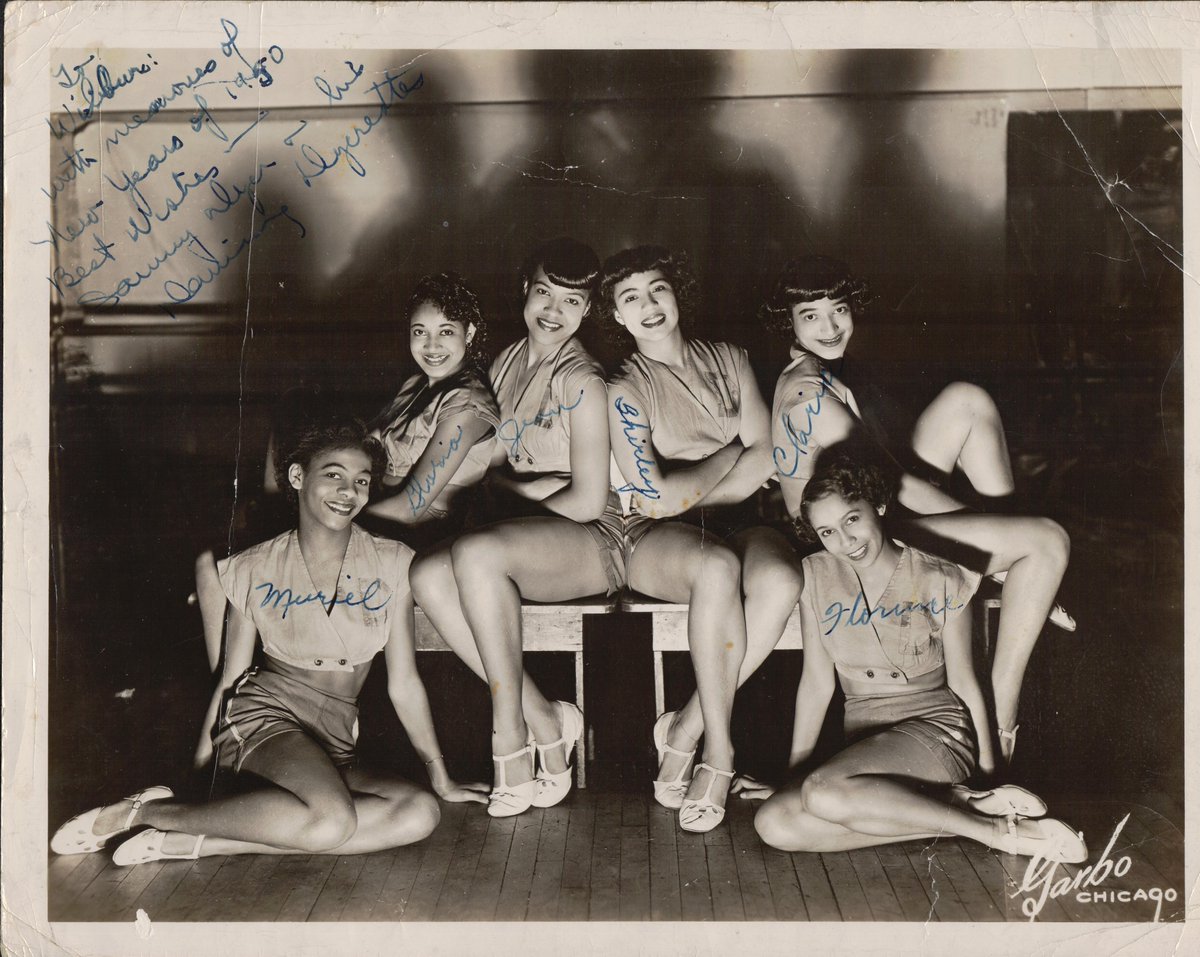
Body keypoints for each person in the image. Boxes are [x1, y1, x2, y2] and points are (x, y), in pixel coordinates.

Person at [51, 418, 486, 866]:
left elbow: (404, 683)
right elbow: (232, 676)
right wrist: (202, 768)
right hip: (265, 718)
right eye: (333, 475)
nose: (348, 491)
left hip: (336, 735)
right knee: (333, 820)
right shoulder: (254, 566)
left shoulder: (394, 560)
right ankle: (143, 811)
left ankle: (193, 840)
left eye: (361, 481)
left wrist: (441, 777)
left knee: (419, 813)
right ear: (298, 478)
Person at [764, 255, 1073, 763]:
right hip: (844, 536)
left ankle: (1006, 557)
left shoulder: (811, 370)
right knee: (1048, 541)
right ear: (790, 323)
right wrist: (993, 530)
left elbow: (880, 477)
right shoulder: (809, 399)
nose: (830, 325)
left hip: (866, 504)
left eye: (839, 310)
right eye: (811, 315)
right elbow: (894, 485)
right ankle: (999, 713)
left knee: (966, 401)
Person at [751, 454, 1087, 864]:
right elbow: (817, 684)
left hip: (936, 730)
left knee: (822, 794)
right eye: (828, 531)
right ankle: (958, 808)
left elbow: (966, 680)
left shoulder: (940, 574)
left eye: (851, 519)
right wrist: (793, 773)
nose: (846, 541)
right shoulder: (816, 577)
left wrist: (988, 769)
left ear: (878, 505)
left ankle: (998, 832)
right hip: (868, 741)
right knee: (775, 823)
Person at [409, 238, 625, 818]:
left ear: (588, 311)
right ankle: (546, 717)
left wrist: (508, 499)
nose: (552, 311)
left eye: (571, 301)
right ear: (524, 294)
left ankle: (509, 734)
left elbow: (587, 499)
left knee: (476, 555)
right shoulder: (505, 362)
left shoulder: (583, 378)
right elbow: (491, 463)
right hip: (526, 534)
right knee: (428, 575)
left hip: (596, 535)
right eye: (542, 294)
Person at [602, 245, 804, 833]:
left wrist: (704, 481)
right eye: (630, 298)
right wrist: (733, 452)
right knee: (716, 566)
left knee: (783, 578)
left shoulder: (730, 357)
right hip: (657, 534)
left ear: (676, 292)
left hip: (737, 522)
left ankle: (685, 727)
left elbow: (770, 452)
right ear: (616, 315)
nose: (649, 305)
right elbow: (660, 502)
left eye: (657, 289)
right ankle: (719, 751)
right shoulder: (623, 388)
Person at [362, 271, 500, 546]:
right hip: (376, 511)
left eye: (446, 331)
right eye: (420, 331)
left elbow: (410, 508)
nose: (431, 345)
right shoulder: (415, 384)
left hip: (418, 536)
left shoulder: (466, 405)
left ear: (469, 333)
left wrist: (339, 516)